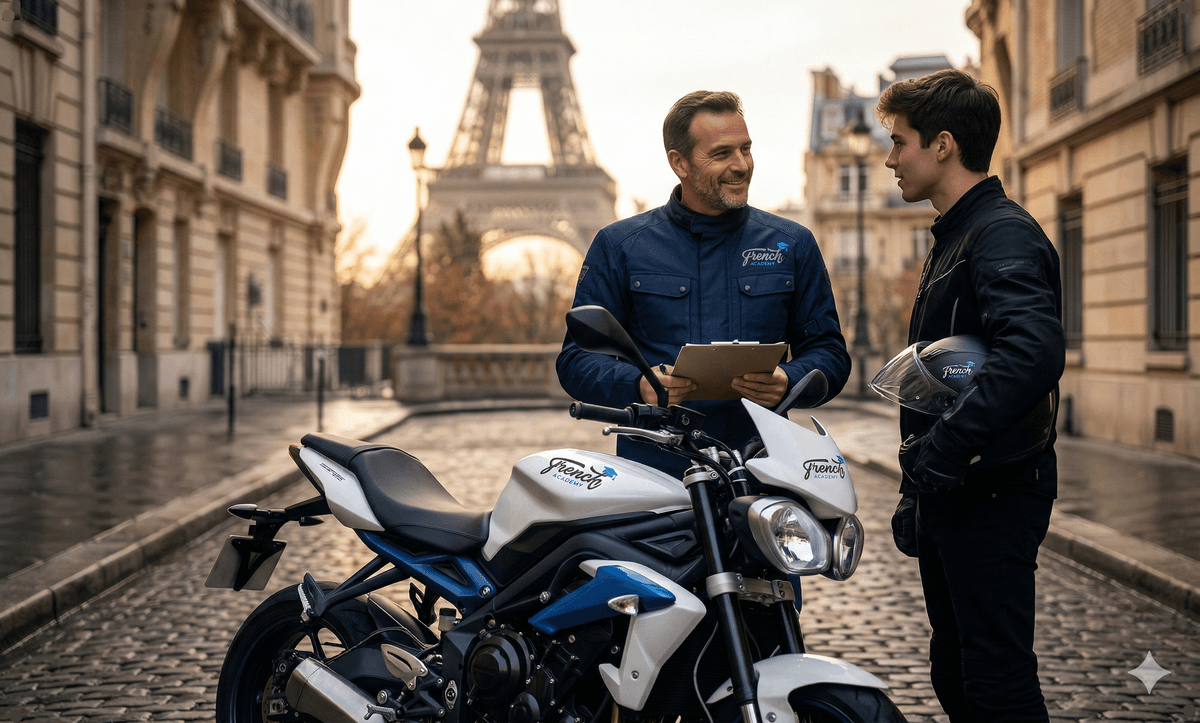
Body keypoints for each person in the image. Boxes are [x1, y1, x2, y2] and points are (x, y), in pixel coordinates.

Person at [876, 69, 1065, 721]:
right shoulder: (957, 233)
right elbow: (937, 383)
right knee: (957, 671)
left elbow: (1032, 352)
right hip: (957, 492)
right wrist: (916, 490)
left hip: (992, 490)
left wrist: (943, 454)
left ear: (943, 145)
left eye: (899, 141)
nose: (890, 157)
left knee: (995, 683)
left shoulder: (999, 233)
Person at [556, 90, 851, 476]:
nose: (741, 165)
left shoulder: (793, 244)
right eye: (722, 153)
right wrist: (638, 385)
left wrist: (788, 380)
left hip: (763, 471)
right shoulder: (619, 246)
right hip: (652, 475)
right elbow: (575, 359)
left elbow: (830, 353)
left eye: (746, 149)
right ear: (679, 163)